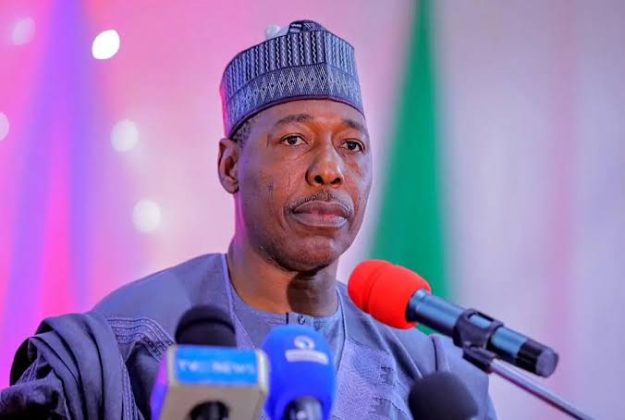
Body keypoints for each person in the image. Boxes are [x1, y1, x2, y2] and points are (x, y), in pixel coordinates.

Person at [0, 20, 496, 419]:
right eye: (294, 139)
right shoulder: (117, 345)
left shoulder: (427, 374)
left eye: (352, 145)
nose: (330, 169)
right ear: (230, 165)